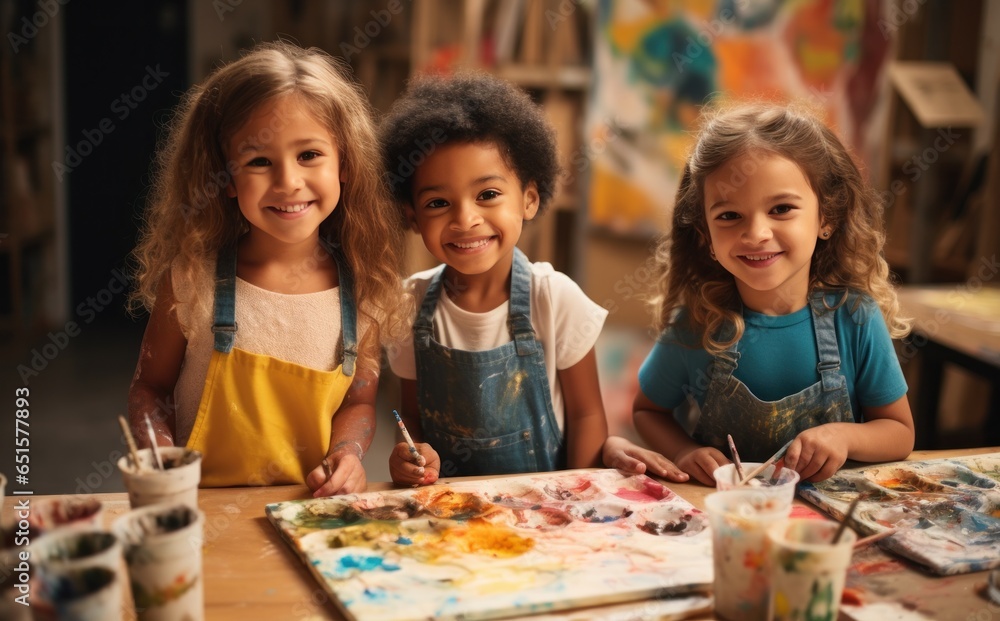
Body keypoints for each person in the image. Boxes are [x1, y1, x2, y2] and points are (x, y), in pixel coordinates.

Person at [127, 42, 407, 496]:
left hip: (310, 516)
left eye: (309, 155)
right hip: (201, 515)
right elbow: (149, 391)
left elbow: (358, 402)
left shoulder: (365, 290)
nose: (288, 182)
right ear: (223, 178)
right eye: (259, 161)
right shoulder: (190, 281)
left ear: (346, 164)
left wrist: (349, 455)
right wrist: (160, 460)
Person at [380, 72, 684, 486]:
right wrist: (410, 456)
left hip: (544, 517)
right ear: (412, 217)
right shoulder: (408, 305)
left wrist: (577, 498)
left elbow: (586, 415)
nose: (466, 219)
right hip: (448, 520)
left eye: (487, 194)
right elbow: (411, 419)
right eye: (438, 202)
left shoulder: (555, 298)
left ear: (529, 199)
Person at [633, 102, 915, 485]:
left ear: (826, 217)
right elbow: (648, 412)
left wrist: (844, 436)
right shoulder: (697, 322)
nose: (756, 234)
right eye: (729, 216)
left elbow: (899, 433)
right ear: (706, 236)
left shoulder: (855, 315)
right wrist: (684, 451)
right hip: (728, 519)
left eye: (781, 209)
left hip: (828, 524)